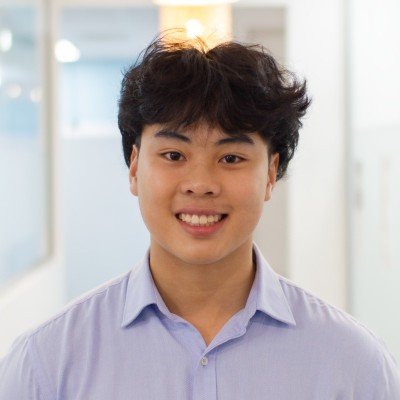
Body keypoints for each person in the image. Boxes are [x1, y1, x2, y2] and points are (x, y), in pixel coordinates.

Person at [1, 33, 399, 400]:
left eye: (231, 158)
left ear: (270, 173)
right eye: (174, 155)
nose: (201, 184)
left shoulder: (355, 367)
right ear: (135, 168)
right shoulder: (47, 365)